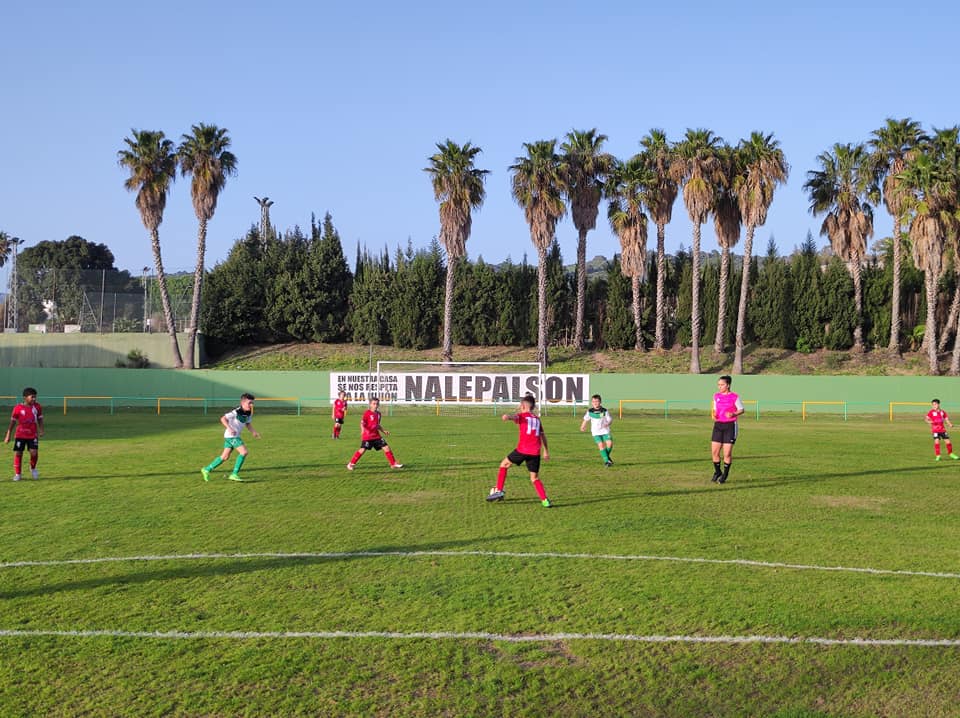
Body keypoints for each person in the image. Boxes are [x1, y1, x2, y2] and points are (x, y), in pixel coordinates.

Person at [487, 394, 552, 507]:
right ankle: (545, 500)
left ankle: (499, 491)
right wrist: (546, 451)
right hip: (535, 452)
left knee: (504, 465)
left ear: (522, 405)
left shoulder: (522, 416)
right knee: (534, 478)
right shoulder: (537, 419)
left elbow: (514, 417)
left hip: (523, 450)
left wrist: (507, 416)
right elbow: (543, 436)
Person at [201, 393, 261, 482]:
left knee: (224, 457)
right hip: (231, 436)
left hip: (232, 436)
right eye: (249, 403)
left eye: (252, 403)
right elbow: (223, 419)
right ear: (243, 402)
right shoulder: (236, 411)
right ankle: (234, 474)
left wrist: (253, 432)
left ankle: (206, 469)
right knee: (244, 452)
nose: (251, 405)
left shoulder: (249, 413)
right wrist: (230, 428)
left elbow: (247, 423)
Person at [347, 397, 403, 470]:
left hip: (376, 436)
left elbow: (377, 425)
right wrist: (363, 430)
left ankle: (393, 464)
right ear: (370, 404)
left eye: (377, 404)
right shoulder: (367, 413)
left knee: (386, 447)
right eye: (374, 404)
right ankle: (351, 464)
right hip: (367, 436)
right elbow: (362, 423)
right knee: (363, 449)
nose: (375, 405)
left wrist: (383, 431)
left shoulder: (379, 414)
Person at [4, 387, 44, 481]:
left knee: (34, 452)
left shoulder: (37, 407)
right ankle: (18, 474)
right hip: (20, 435)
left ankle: (33, 469)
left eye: (35, 397)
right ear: (25, 397)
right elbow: (12, 422)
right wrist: (8, 434)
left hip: (32, 434)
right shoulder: (18, 408)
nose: (34, 399)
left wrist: (41, 429)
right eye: (32, 397)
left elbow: (40, 418)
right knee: (19, 452)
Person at [711, 375, 744, 484]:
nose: (719, 387)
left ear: (728, 385)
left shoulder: (734, 396)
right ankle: (717, 472)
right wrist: (714, 414)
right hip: (718, 426)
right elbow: (715, 409)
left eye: (722, 384)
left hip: (730, 426)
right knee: (715, 452)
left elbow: (741, 409)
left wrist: (733, 413)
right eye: (718, 384)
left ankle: (725, 475)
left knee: (727, 454)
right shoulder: (716, 396)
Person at [580, 393, 614, 467]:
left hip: (605, 430)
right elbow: (586, 419)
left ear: (600, 402)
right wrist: (582, 426)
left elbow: (610, 419)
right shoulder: (590, 411)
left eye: (597, 401)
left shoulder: (604, 410)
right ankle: (607, 462)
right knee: (601, 445)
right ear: (591, 402)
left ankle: (607, 458)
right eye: (593, 401)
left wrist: (608, 423)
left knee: (610, 444)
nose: (595, 403)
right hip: (595, 432)